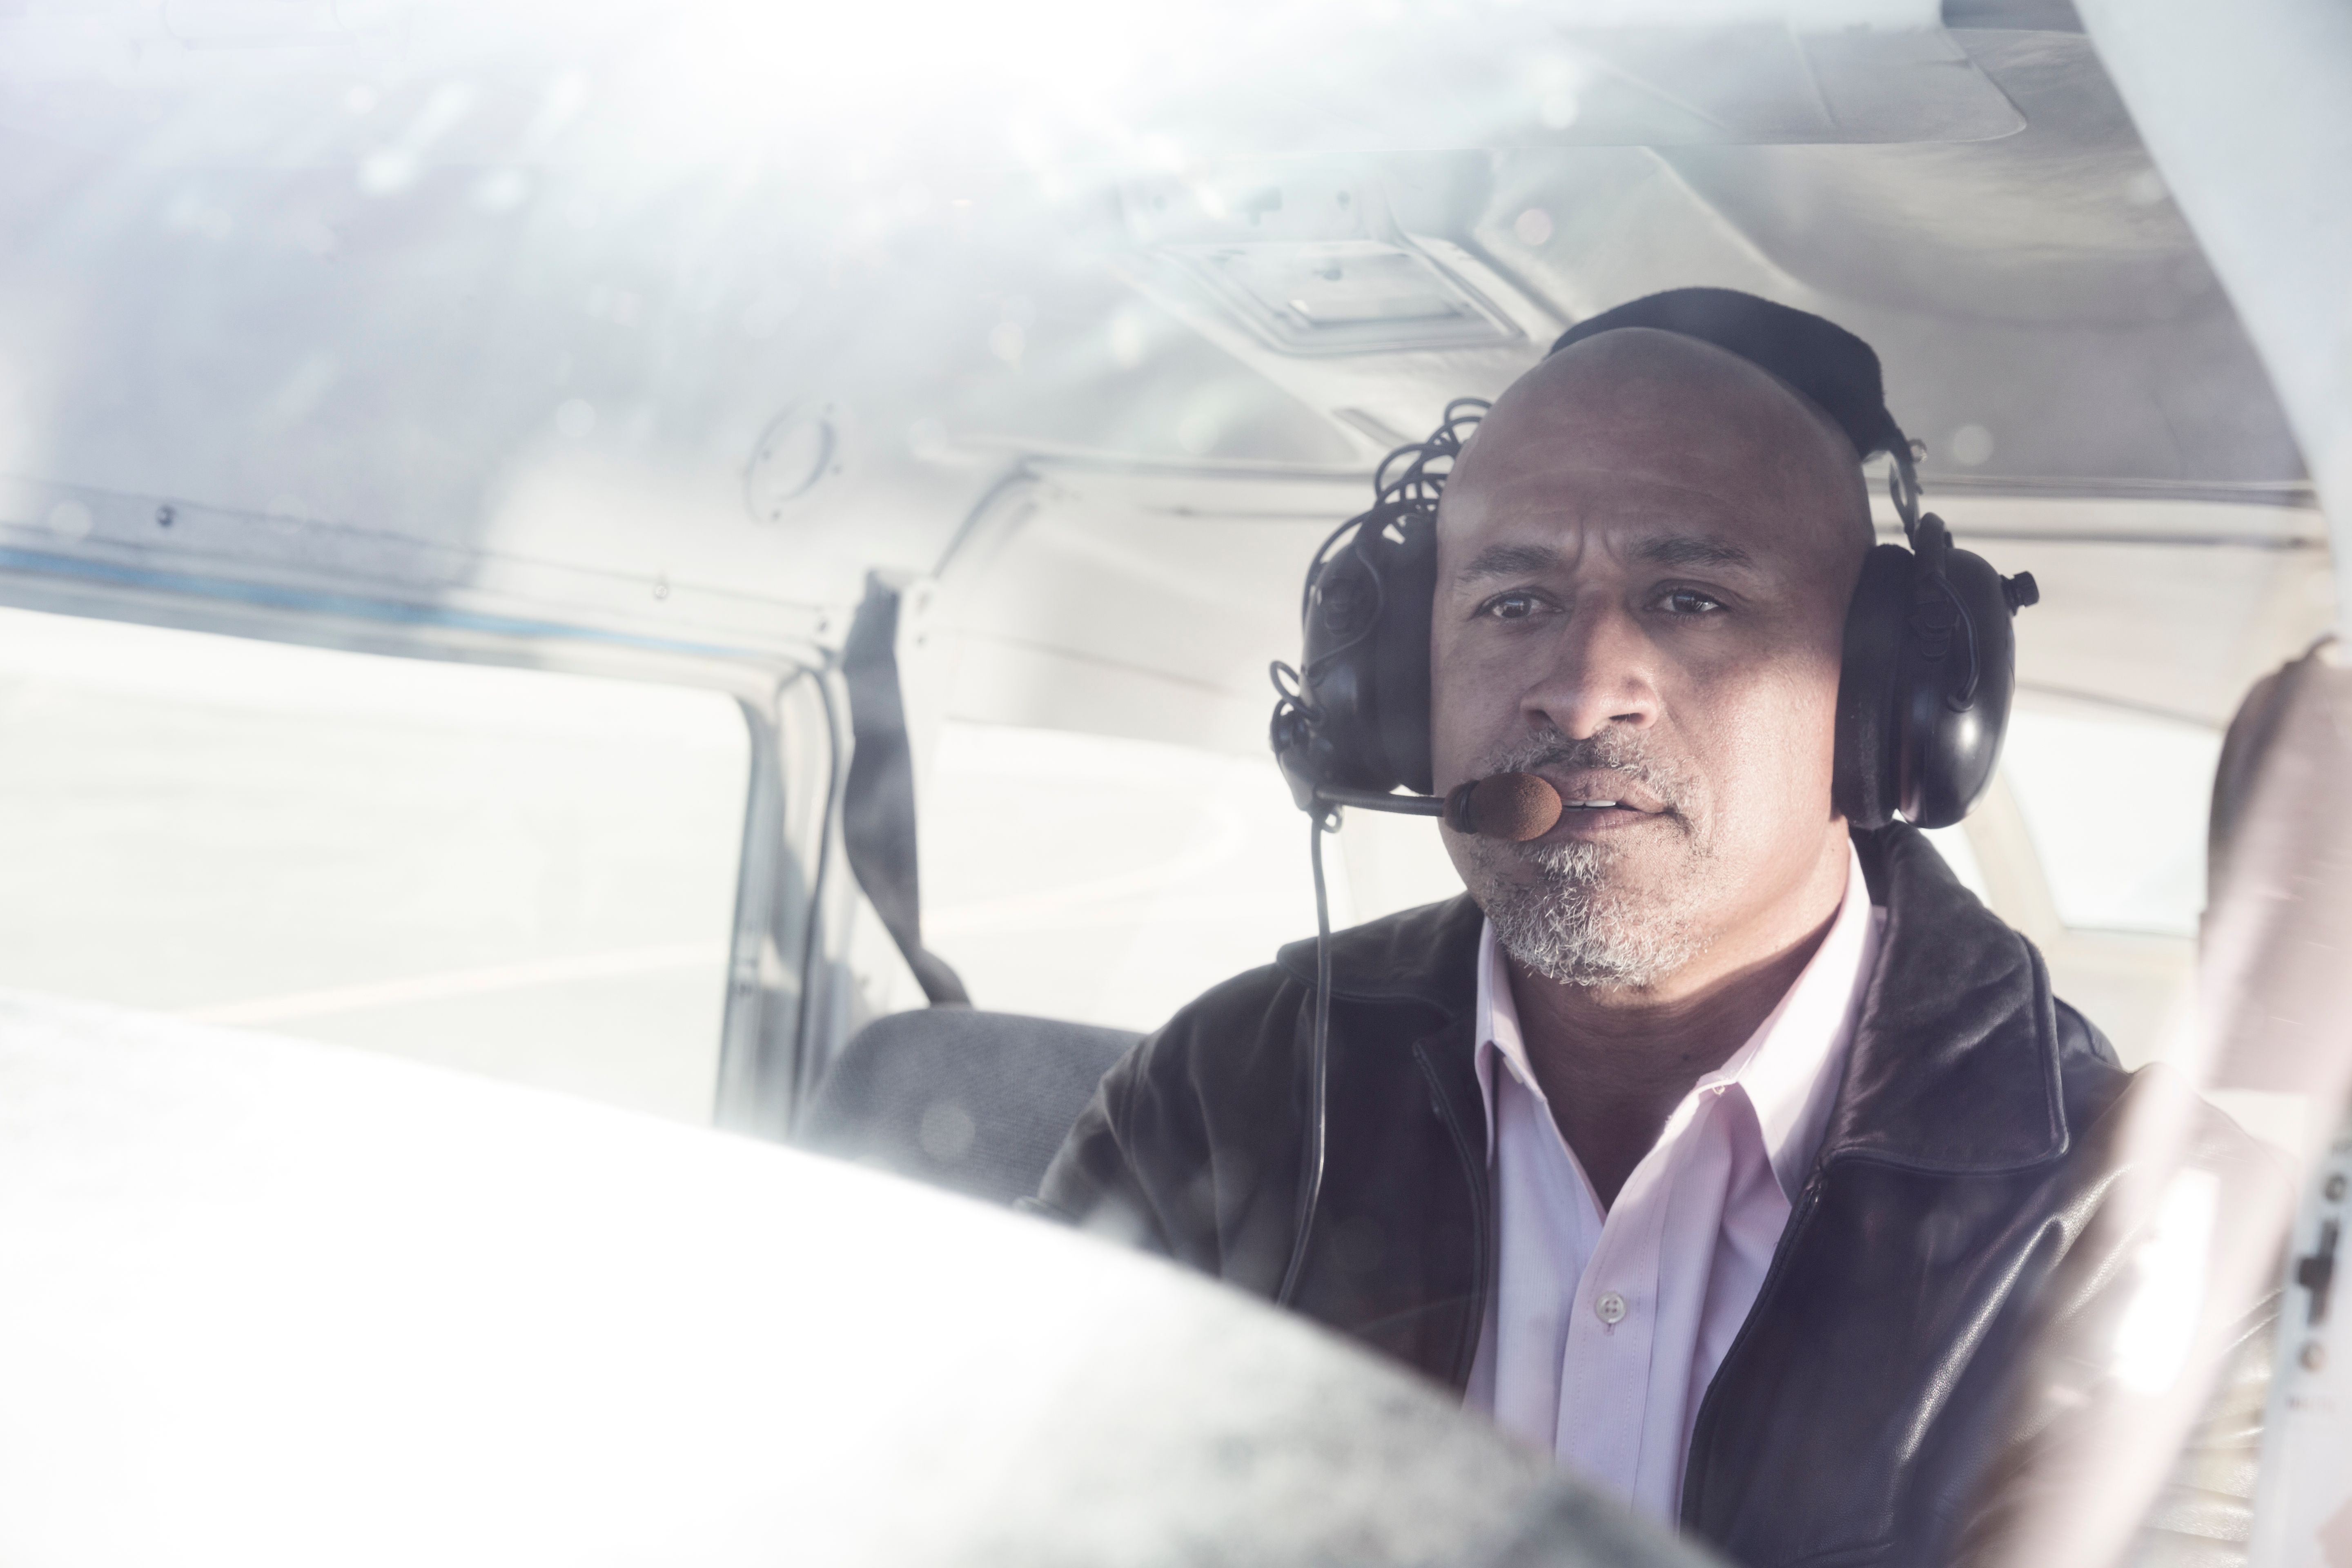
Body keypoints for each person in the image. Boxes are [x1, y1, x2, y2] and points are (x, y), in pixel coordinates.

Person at [1032, 290, 2273, 1568]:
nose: (1581, 693)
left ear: (1881, 701)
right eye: (1514, 604)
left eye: (1690, 599)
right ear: (1396, 693)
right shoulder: (1225, 1095)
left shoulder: (2157, 1232)